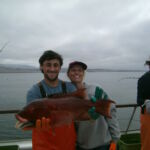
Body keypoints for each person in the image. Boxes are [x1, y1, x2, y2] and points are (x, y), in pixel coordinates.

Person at [26, 50, 76, 150]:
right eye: (48, 65)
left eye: (56, 65)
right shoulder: (34, 92)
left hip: (67, 144)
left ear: (60, 68)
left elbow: (77, 112)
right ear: (41, 67)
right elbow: (30, 120)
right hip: (43, 145)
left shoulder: (70, 88)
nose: (52, 69)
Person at [67, 61, 120, 150]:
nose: (76, 72)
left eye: (80, 70)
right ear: (68, 74)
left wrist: (115, 139)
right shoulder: (66, 96)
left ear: (83, 74)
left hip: (103, 144)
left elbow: (111, 112)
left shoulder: (96, 89)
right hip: (81, 146)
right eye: (73, 70)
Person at [137, 57, 150, 150]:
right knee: (147, 144)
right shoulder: (143, 79)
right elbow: (139, 100)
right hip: (147, 115)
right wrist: (146, 102)